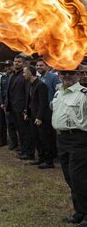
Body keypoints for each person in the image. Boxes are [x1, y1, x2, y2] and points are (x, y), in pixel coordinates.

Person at [51, 66, 87, 226]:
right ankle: (79, 212)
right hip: (62, 139)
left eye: (70, 72)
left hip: (79, 140)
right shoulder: (59, 92)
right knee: (70, 178)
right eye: (62, 73)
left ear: (78, 75)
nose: (66, 75)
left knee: (79, 178)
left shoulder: (84, 95)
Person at [3, 55, 35, 160]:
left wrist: (27, 109)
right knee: (20, 131)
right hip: (12, 108)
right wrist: (7, 105)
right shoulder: (12, 75)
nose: (16, 63)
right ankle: (23, 149)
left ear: (24, 63)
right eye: (15, 61)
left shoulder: (25, 75)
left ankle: (29, 153)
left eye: (19, 62)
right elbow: (8, 92)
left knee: (26, 132)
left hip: (22, 108)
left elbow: (27, 93)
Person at [23, 65, 55, 169]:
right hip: (32, 116)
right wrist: (27, 113)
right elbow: (29, 100)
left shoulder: (41, 85)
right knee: (36, 138)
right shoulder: (29, 84)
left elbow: (43, 103)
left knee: (45, 139)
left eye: (24, 72)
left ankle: (49, 161)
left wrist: (39, 117)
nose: (23, 74)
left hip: (41, 118)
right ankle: (41, 158)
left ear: (30, 73)